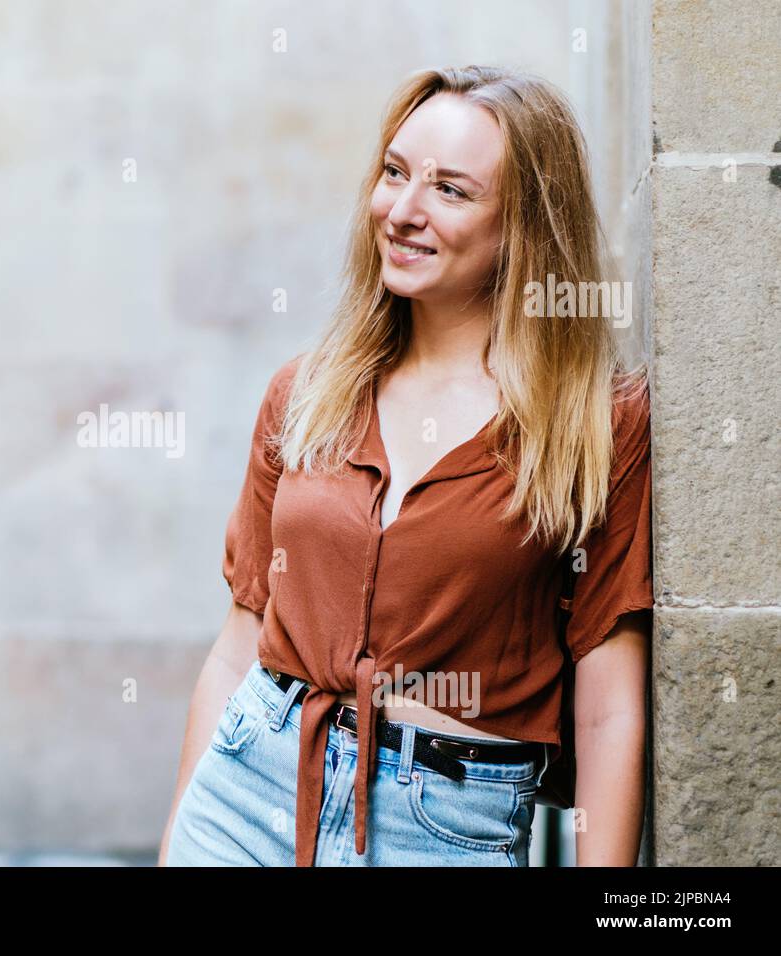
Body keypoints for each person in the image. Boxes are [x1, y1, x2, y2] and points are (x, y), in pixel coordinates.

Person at [159, 65, 652, 867]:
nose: (402, 210)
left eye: (450, 191)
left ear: (522, 227)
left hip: (445, 828)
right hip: (248, 793)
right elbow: (240, 637)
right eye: (394, 173)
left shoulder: (595, 425)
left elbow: (608, 708)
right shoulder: (308, 391)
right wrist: (181, 834)